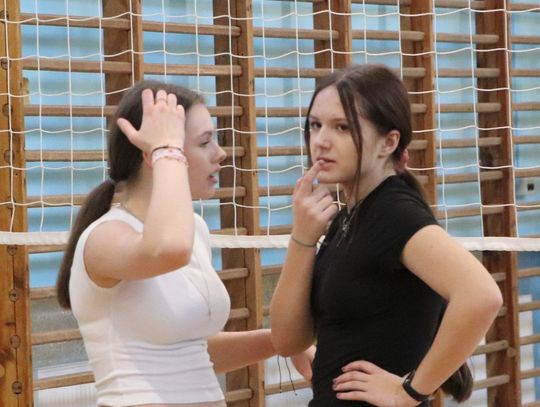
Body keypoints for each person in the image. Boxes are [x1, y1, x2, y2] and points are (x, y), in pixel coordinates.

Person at [56, 80, 314, 407]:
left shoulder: (195, 229)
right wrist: (167, 148)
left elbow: (191, 355)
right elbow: (169, 250)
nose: (220, 153)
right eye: (204, 142)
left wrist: (280, 342)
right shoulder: (106, 236)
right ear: (153, 154)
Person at [270, 64, 503, 407]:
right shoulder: (351, 216)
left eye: (342, 127)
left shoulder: (394, 212)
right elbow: (288, 340)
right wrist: (302, 238)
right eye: (315, 125)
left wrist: (410, 391)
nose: (321, 141)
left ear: (389, 142)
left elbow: (482, 296)